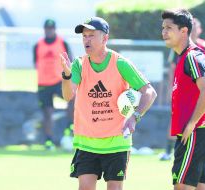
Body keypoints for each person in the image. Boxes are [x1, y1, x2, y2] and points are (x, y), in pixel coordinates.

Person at [60, 17, 157, 190]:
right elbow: (68, 96)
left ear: (105, 38)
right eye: (84, 36)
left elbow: (149, 92)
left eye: (91, 35)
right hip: (86, 142)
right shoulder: (79, 65)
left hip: (116, 142)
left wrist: (134, 117)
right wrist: (66, 76)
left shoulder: (120, 63)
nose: (86, 40)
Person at [161, 9, 205, 190]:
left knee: (181, 187)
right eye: (163, 28)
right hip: (196, 136)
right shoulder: (182, 57)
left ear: (184, 31)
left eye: (169, 28)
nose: (164, 32)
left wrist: (191, 124)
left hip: (194, 134)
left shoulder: (192, 55)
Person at [33, 19, 73, 149]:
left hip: (59, 81)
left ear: (54, 29)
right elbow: (36, 64)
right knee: (47, 113)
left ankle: (70, 126)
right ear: (44, 29)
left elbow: (70, 61)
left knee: (73, 98)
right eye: (47, 29)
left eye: (51, 28)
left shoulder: (62, 43)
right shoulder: (38, 45)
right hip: (43, 83)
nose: (49, 31)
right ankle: (48, 140)